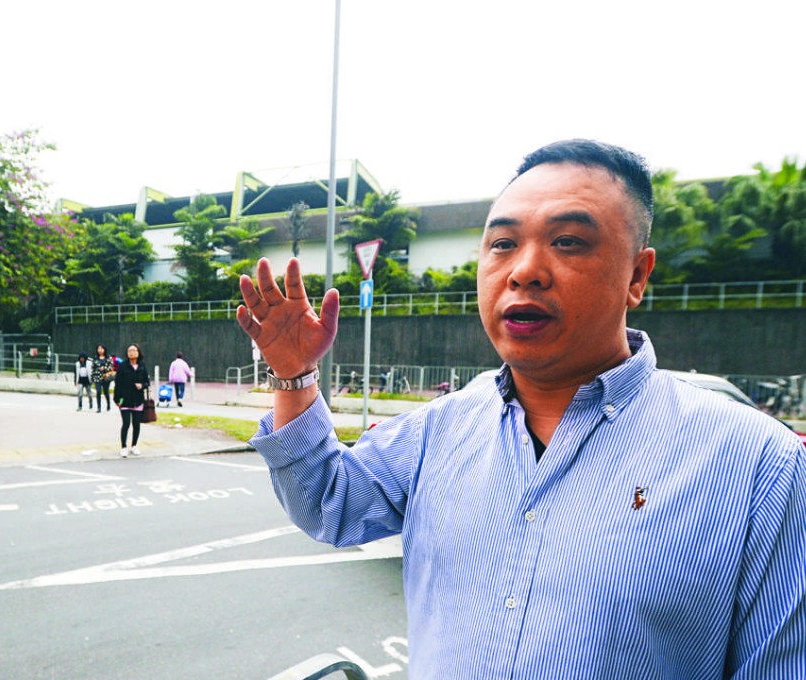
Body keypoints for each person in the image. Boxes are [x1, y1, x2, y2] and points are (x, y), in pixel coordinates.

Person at [236, 139, 805, 678]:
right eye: (503, 243)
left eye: (568, 242)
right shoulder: (439, 430)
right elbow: (329, 503)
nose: (524, 270)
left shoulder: (759, 467)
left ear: (636, 275)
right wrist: (294, 376)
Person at [113, 343, 149, 457]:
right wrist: (116, 398)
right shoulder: (123, 366)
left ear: (138, 353)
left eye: (134, 350)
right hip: (125, 399)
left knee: (136, 424)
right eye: (129, 351)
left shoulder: (142, 366)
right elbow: (118, 383)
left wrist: (142, 386)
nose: (131, 352)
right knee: (126, 423)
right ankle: (123, 447)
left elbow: (147, 382)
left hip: (138, 399)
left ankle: (134, 445)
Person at [92, 343, 115, 413]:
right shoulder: (95, 358)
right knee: (98, 392)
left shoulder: (109, 358)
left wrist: (104, 368)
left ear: (104, 349)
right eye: (99, 348)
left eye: (101, 348)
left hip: (106, 377)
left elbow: (111, 367)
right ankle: (99, 408)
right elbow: (93, 368)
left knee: (106, 392)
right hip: (97, 377)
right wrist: (92, 377)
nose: (100, 350)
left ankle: (108, 404)